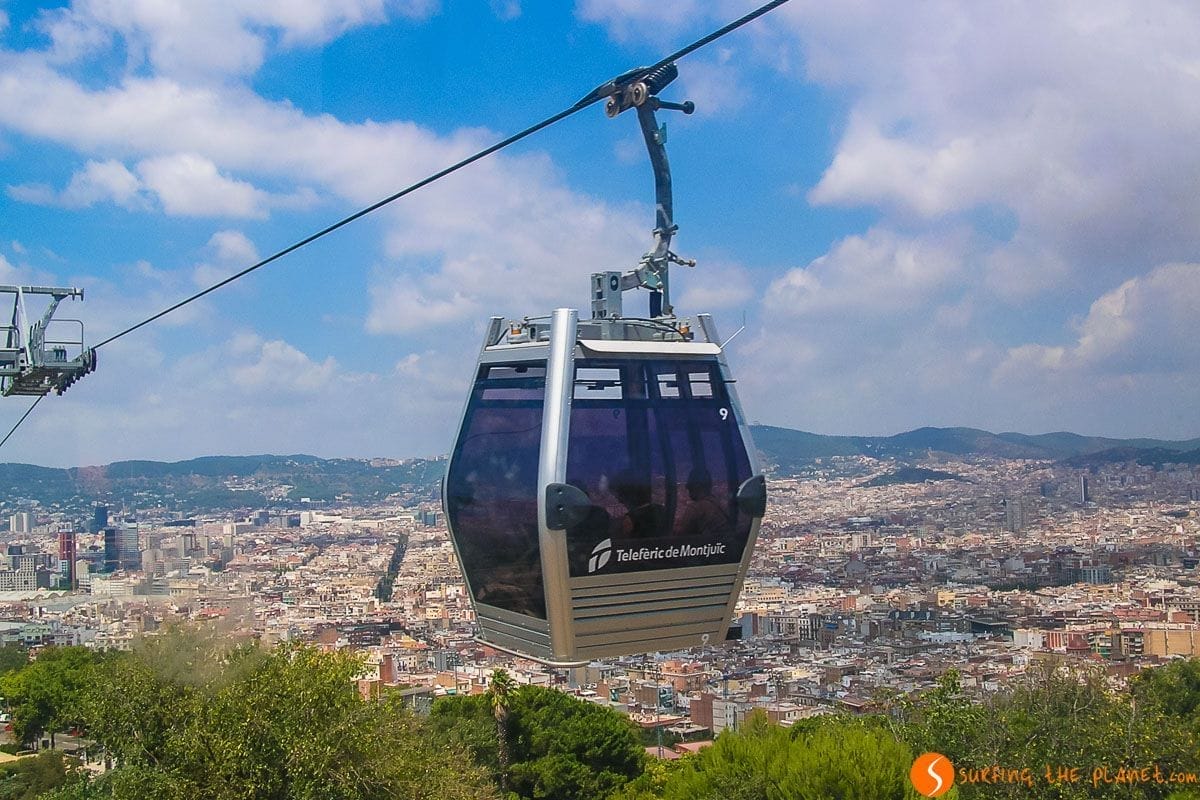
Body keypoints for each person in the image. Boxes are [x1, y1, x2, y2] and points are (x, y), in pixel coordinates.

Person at [675, 468, 732, 537]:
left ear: (697, 486)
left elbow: (678, 534)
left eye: (689, 486)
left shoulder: (697, 508)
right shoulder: (720, 504)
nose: (687, 489)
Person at [612, 470, 667, 539]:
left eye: (619, 496)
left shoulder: (629, 519)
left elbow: (622, 545)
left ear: (627, 494)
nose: (620, 501)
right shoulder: (662, 510)